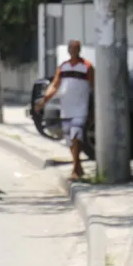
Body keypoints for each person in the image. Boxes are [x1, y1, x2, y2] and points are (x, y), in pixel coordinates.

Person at [35, 40, 94, 181]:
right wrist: (43, 101)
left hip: (81, 108)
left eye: (76, 48)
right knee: (69, 139)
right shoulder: (63, 67)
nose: (73, 51)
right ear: (68, 50)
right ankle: (78, 165)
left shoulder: (87, 67)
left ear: (79, 50)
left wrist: (93, 110)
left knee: (76, 136)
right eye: (71, 48)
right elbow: (55, 85)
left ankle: (75, 169)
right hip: (66, 108)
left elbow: (93, 87)